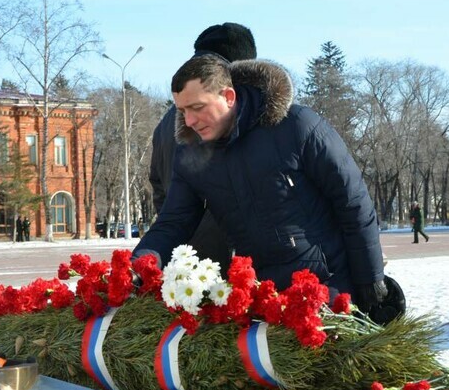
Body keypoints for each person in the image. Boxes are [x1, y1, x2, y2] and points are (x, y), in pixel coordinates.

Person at [134, 53, 402, 324]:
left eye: (197, 107)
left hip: (331, 287)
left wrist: (371, 279)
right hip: (266, 297)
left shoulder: (297, 127)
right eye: (182, 111)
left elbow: (353, 202)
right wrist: (139, 266)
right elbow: (173, 223)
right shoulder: (192, 156)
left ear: (228, 97)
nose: (189, 120)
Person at [149, 23, 258, 274]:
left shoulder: (168, 121)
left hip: (180, 257)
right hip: (225, 262)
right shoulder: (213, 118)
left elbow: (158, 186)